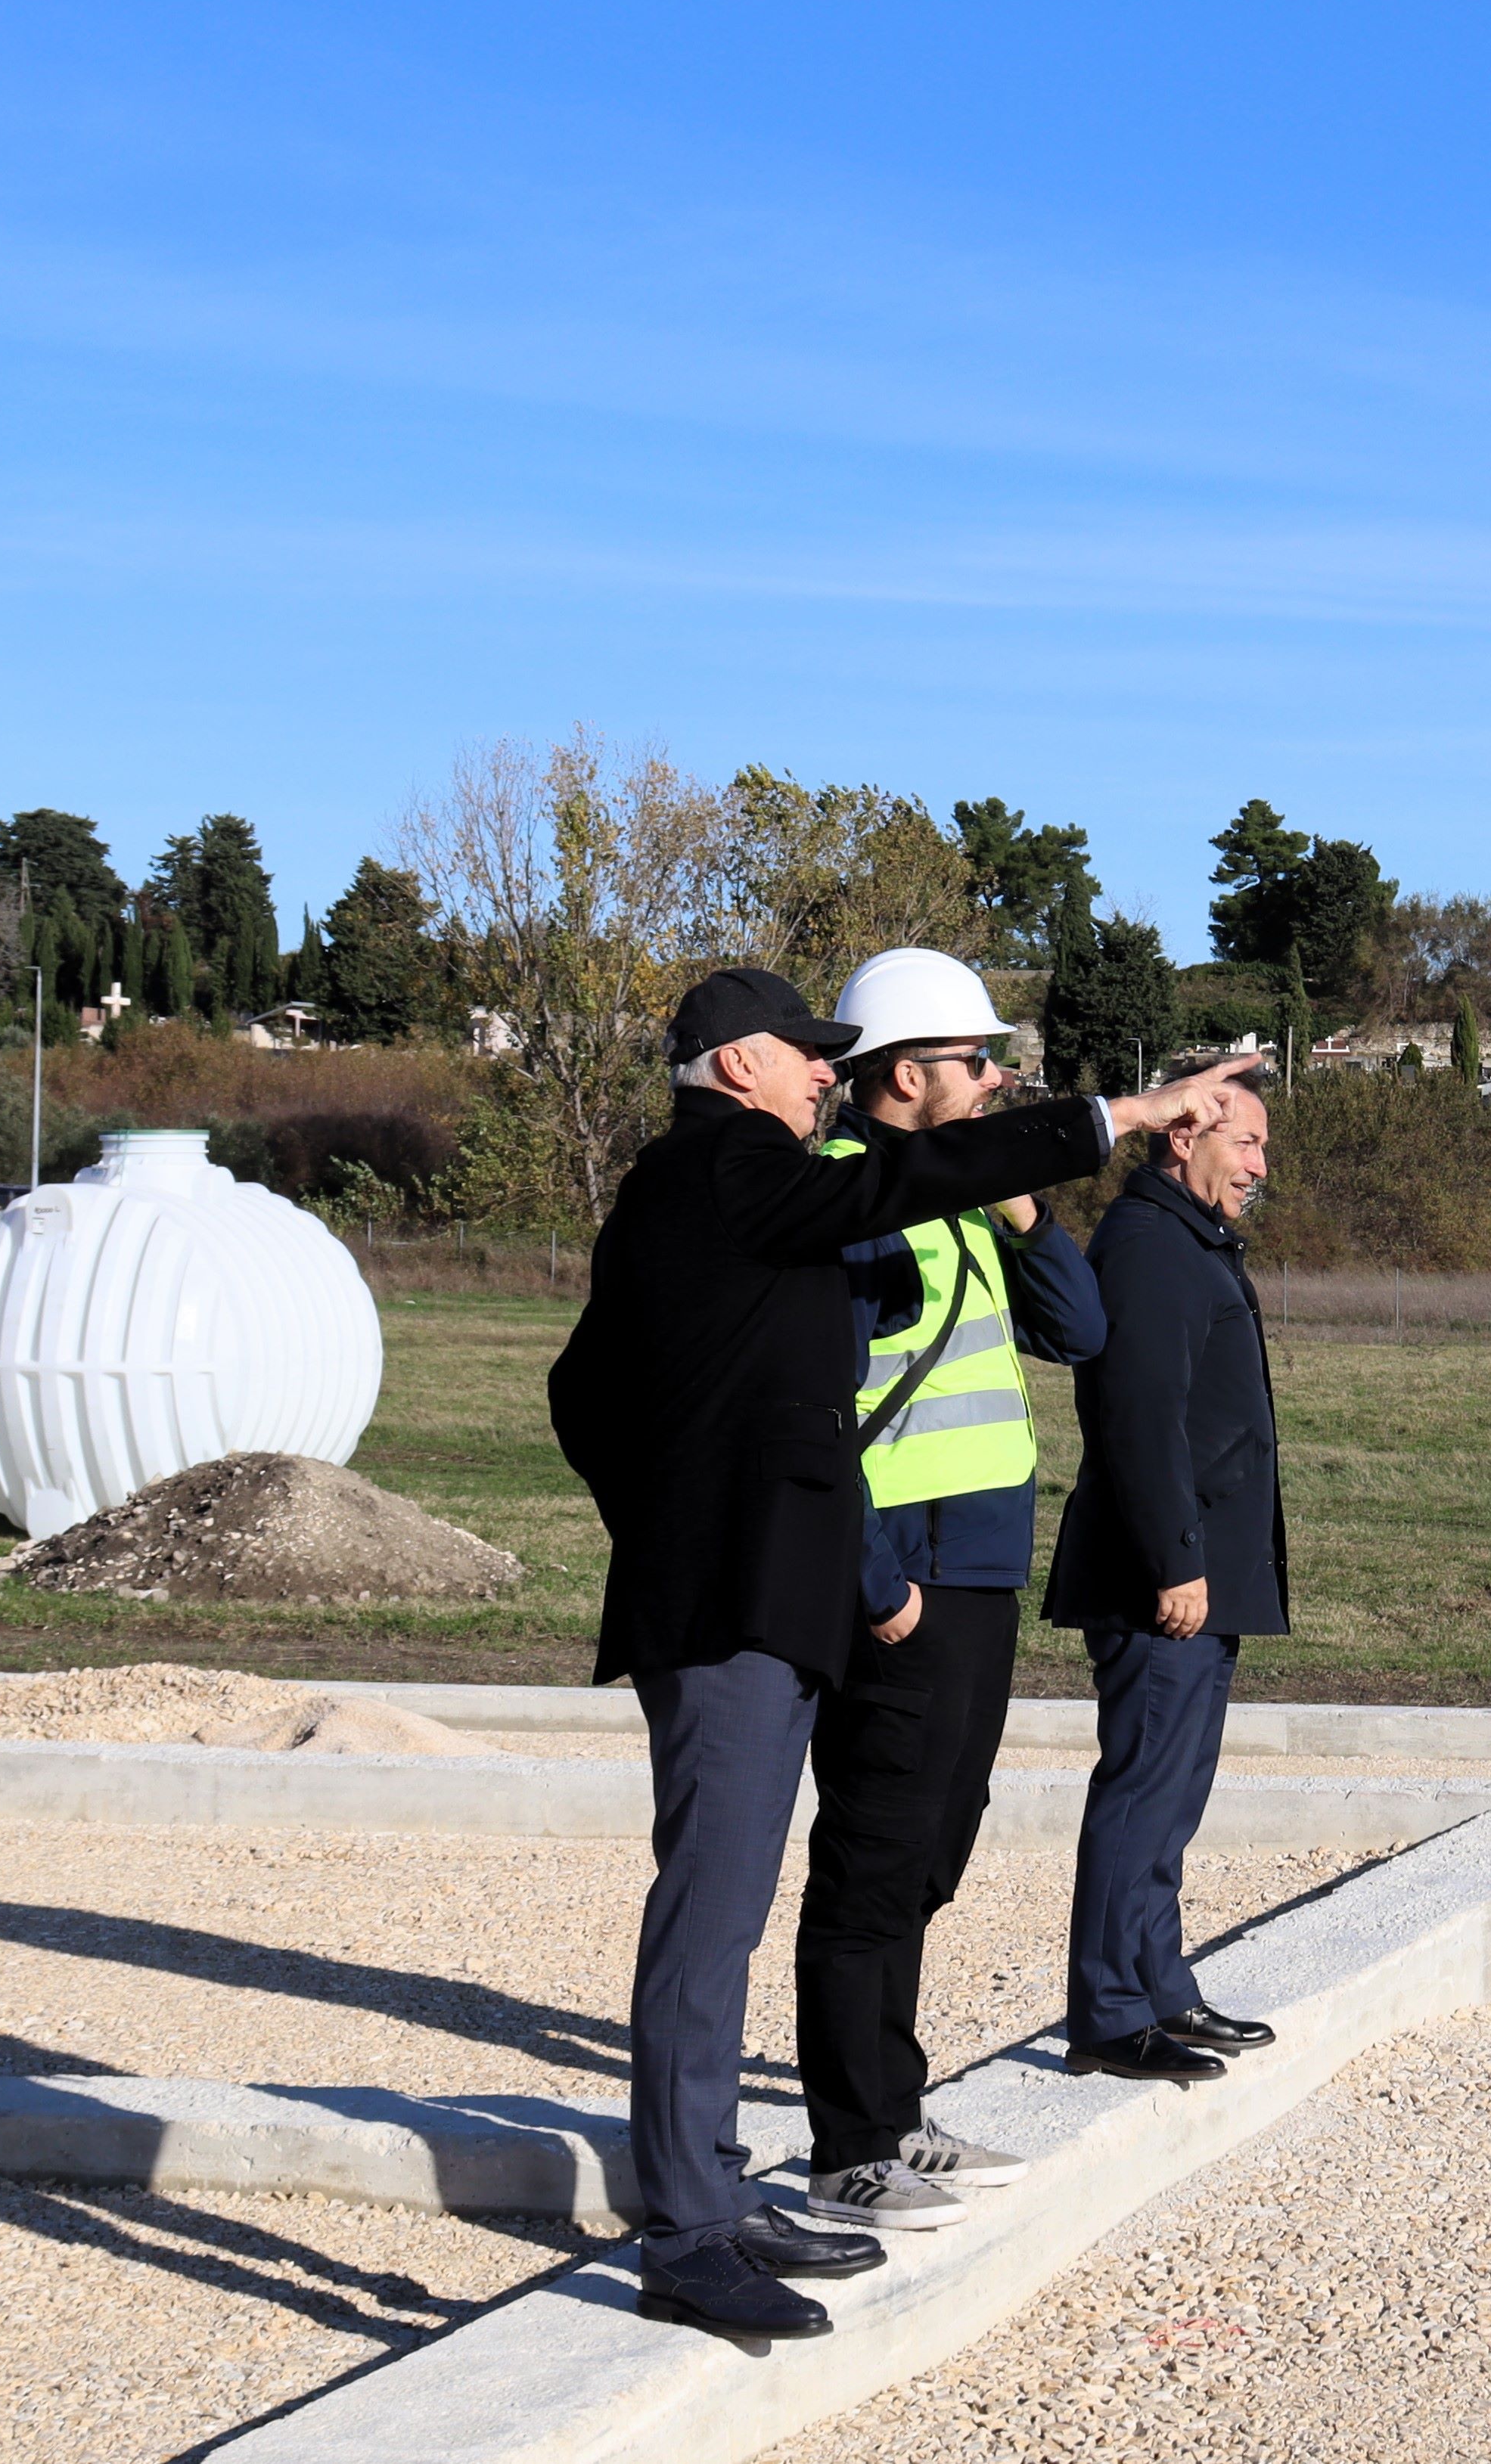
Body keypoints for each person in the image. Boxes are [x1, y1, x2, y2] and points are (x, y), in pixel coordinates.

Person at [548, 964, 1237, 2342]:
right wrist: (1126, 1112)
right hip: (735, 1607)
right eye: (806, 1055)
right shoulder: (719, 1169)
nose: (823, 1073)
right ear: (738, 1063)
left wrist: (686, 1504)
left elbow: (586, 1391)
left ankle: (717, 2196)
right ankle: (687, 2232)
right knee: (713, 1914)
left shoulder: (740, 1179)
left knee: (740, 1902)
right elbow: (874, 1199)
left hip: (757, 1591)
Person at [791, 948, 1105, 2236]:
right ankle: (848, 2143)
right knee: (872, 1852)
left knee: (932, 1845)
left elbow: (1077, 1328)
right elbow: (810, 1410)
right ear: (908, 1074)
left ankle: (897, 2113)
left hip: (977, 1566)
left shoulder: (976, 1199)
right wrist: (874, 1586)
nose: (993, 1080)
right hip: (901, 1576)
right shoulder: (837, 1203)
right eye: (975, 1062)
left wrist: (1026, 1204)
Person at [1045, 1073, 1286, 2084]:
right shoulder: (1148, 1248)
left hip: (1203, 1568)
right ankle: (1108, 2014)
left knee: (1173, 1796)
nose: (1259, 1167)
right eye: (1245, 1145)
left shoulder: (1187, 1241)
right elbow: (1137, 1420)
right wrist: (1173, 1563)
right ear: (1182, 1135)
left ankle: (1160, 1988)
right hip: (1165, 1579)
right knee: (1143, 1790)